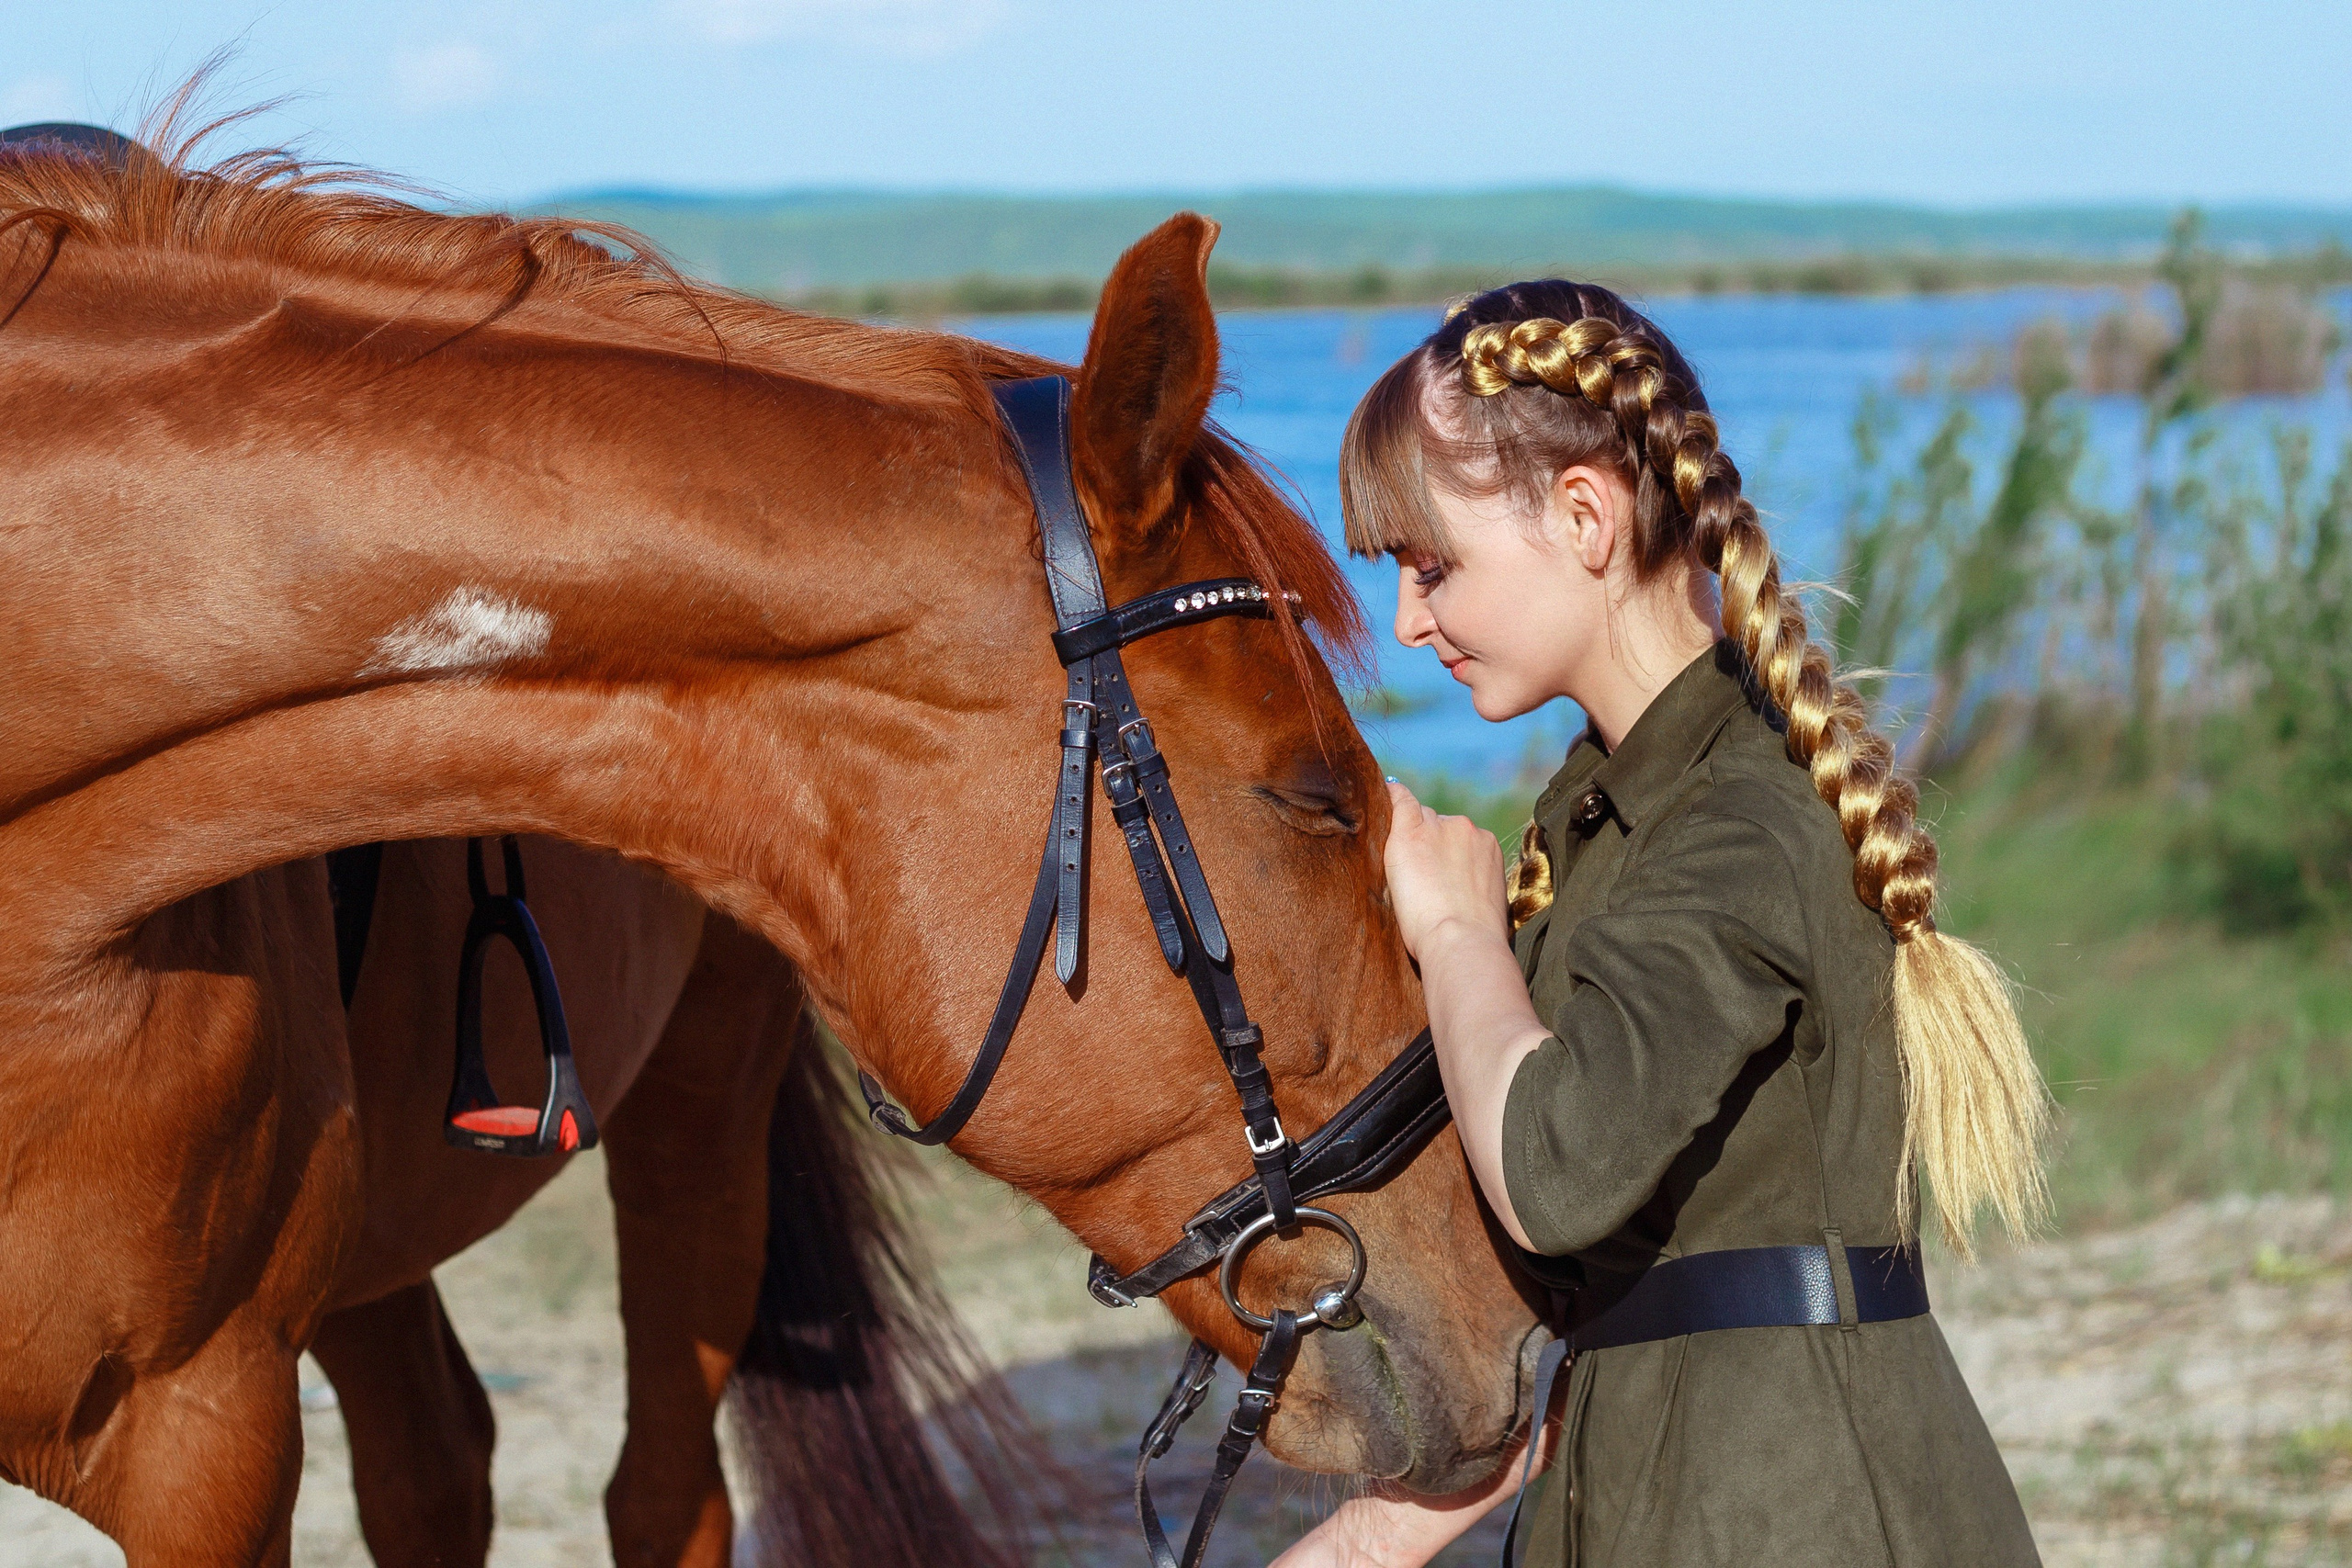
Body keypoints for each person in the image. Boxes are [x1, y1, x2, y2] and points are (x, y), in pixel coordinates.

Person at [1272, 283, 2049, 1568]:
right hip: (1653, 1495)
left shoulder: (1741, 821)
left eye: (1432, 565)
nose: (1410, 622)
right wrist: (1370, 1543)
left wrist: (1461, 933)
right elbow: (1602, 1286)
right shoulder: (1602, 815)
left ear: (1584, 515)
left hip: (1798, 1514)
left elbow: (1557, 1172)